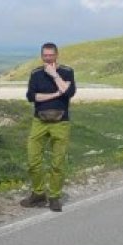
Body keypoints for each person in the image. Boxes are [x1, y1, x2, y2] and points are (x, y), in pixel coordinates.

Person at [20, 42, 77, 212]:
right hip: (40, 121)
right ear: (41, 56)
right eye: (45, 55)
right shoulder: (36, 73)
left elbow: (69, 93)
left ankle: (54, 197)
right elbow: (31, 96)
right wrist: (55, 93)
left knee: (57, 163)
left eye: (51, 55)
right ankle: (38, 193)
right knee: (33, 160)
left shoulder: (67, 71)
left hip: (61, 122)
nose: (48, 58)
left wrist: (54, 75)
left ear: (56, 55)